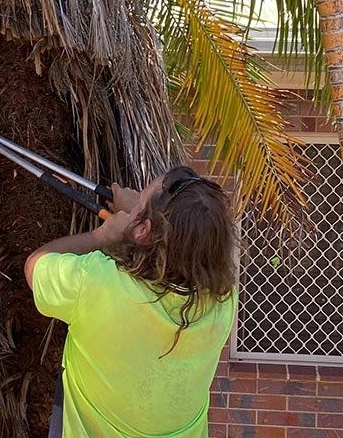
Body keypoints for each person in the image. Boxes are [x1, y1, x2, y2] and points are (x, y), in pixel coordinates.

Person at [24, 166, 238, 438]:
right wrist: (140, 215)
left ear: (143, 232)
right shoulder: (222, 302)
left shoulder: (98, 283)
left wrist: (102, 237)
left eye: (140, 200)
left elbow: (35, 266)